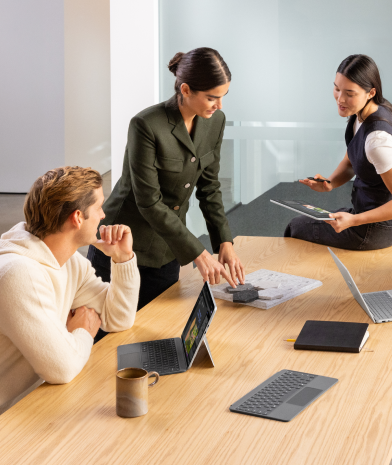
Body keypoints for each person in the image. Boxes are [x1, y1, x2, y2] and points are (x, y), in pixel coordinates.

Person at [89, 47, 245, 321]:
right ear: (185, 90)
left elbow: (209, 188)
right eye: (211, 97)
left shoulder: (215, 121)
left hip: (167, 247)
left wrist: (224, 242)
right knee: (107, 331)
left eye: (223, 97)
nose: (219, 106)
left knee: (159, 329)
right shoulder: (146, 125)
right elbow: (148, 201)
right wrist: (198, 252)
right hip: (120, 244)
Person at [0, 167, 139, 414]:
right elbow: (62, 368)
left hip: (32, 404)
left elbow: (117, 317)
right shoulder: (18, 274)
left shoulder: (68, 261)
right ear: (77, 217)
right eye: (98, 207)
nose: (103, 215)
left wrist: (122, 258)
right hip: (8, 420)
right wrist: (83, 331)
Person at [284, 54, 392, 250]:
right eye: (336, 89)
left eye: (349, 93)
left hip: (380, 227)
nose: (340, 98)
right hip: (391, 220)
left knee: (295, 227)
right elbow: (352, 159)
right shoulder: (367, 111)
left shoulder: (377, 141)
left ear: (370, 92)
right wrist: (329, 183)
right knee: (318, 218)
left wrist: (354, 220)